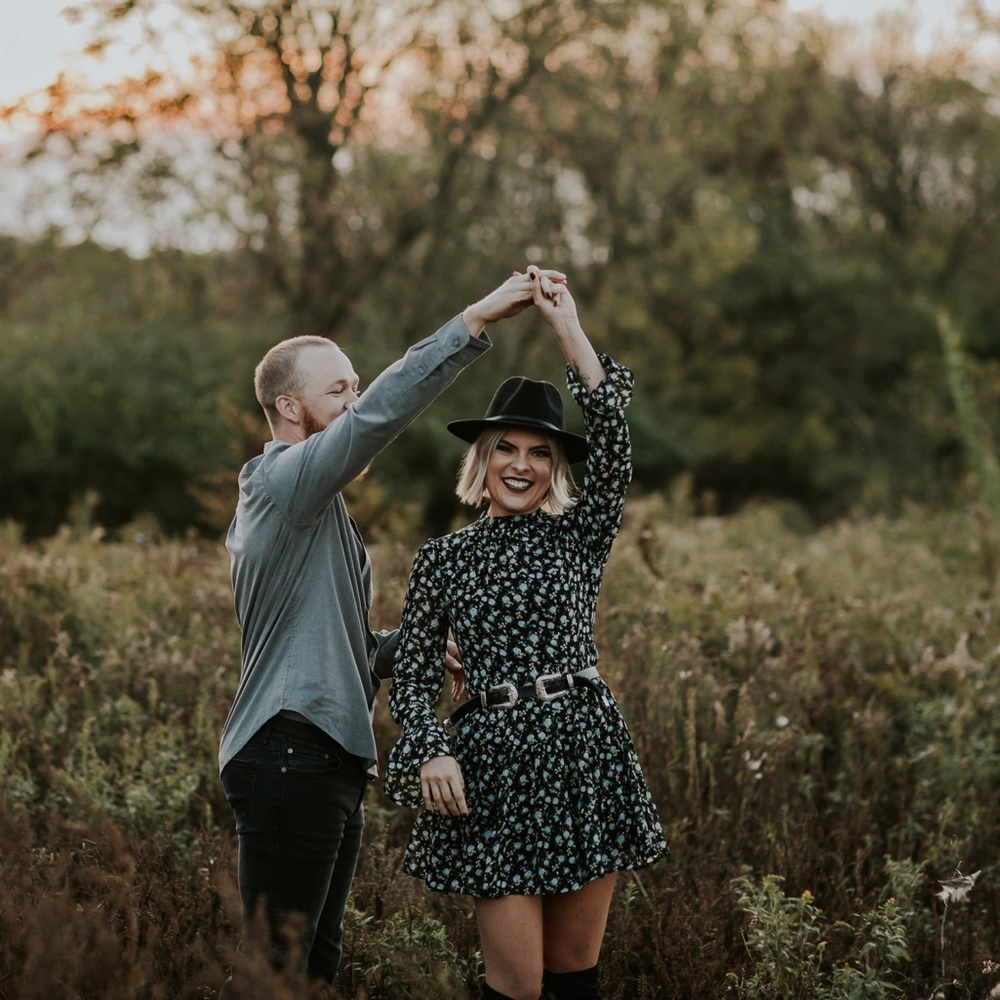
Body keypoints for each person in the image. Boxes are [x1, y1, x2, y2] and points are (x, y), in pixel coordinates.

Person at [217, 267, 565, 991]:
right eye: (337, 389)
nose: (353, 399)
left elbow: (328, 643)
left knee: (311, 970)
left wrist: (413, 649)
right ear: (289, 406)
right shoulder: (283, 485)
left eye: (354, 384)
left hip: (324, 753)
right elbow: (380, 415)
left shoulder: (308, 509)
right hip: (292, 749)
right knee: (274, 977)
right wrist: (473, 321)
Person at [385, 266, 669, 1000]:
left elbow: (612, 433)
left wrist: (565, 326)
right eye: (507, 448)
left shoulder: (580, 535)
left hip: (583, 749)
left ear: (554, 468)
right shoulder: (443, 557)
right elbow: (413, 675)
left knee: (576, 980)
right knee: (517, 984)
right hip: (494, 768)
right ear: (482, 458)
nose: (522, 465)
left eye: (540, 452)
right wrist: (431, 748)